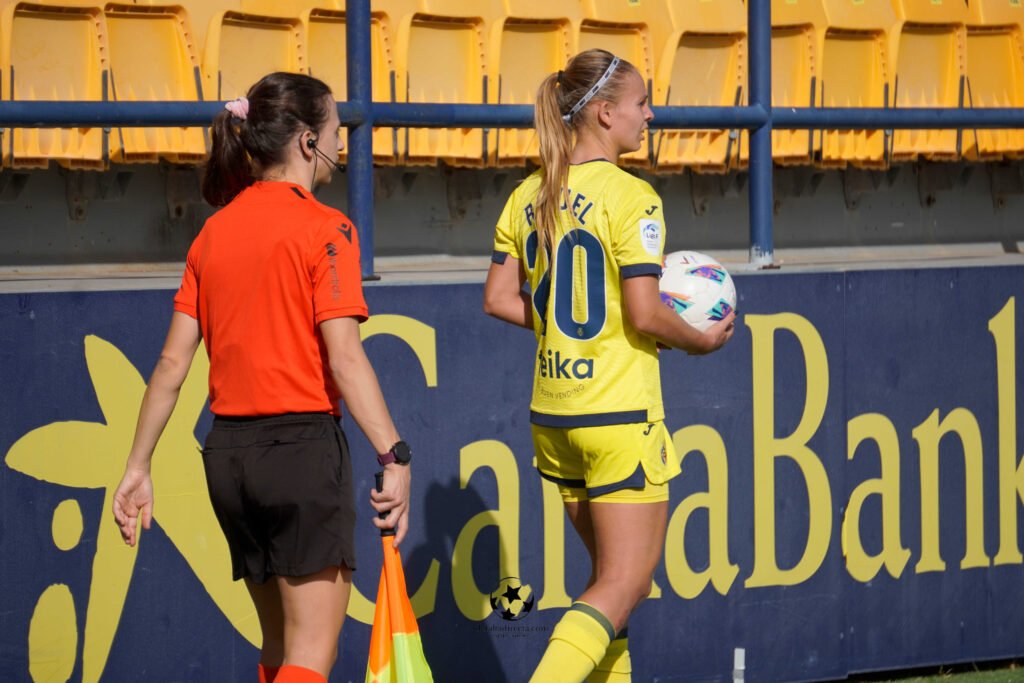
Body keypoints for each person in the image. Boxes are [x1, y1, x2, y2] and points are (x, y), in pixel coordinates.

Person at [111, 72, 413, 683]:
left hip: (228, 457)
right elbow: (346, 358)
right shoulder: (325, 229)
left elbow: (172, 365)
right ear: (307, 141)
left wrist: (137, 466)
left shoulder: (213, 231)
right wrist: (394, 453)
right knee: (310, 653)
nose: (343, 147)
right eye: (335, 133)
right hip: (299, 452)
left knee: (278, 650)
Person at [483, 50, 735, 682]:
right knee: (624, 584)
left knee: (612, 590)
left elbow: (496, 298)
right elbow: (646, 313)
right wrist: (700, 343)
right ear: (603, 112)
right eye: (641, 103)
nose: (650, 115)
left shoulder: (527, 193)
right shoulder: (633, 196)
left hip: (555, 414)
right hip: (619, 413)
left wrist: (570, 324)